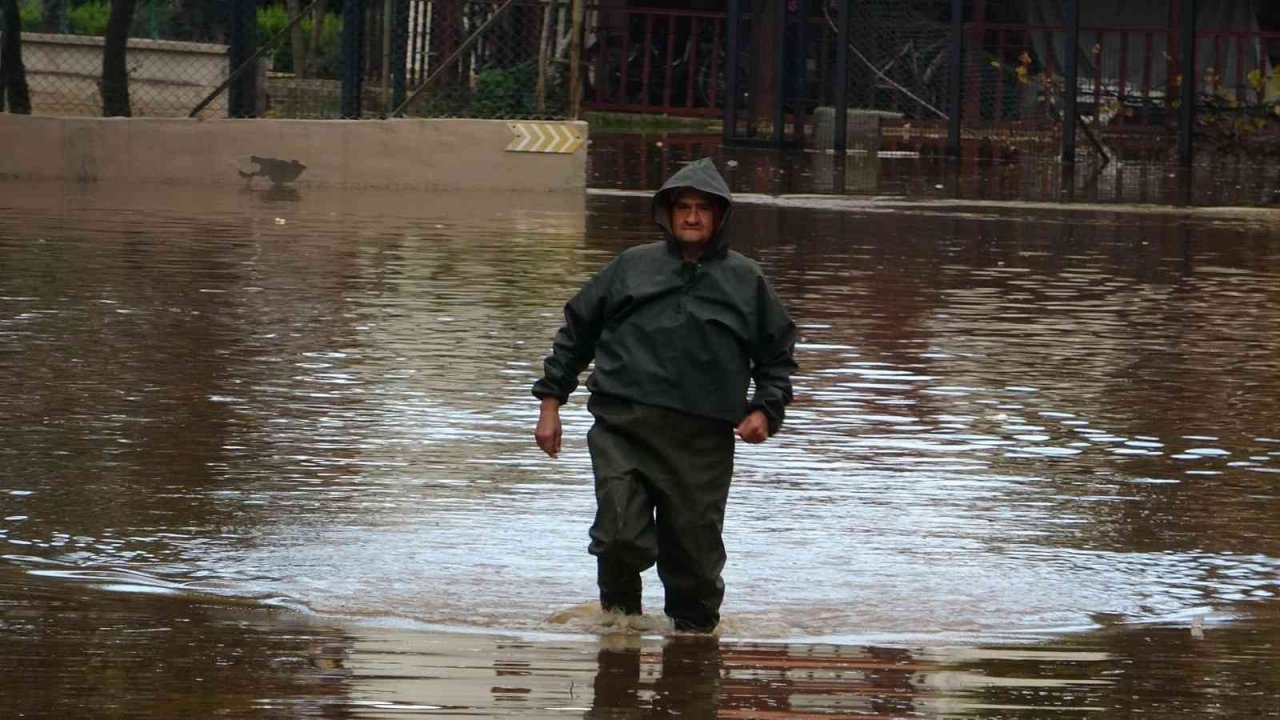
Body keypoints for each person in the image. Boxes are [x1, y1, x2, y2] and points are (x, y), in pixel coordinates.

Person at [532, 158, 797, 633]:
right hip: (622, 429)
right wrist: (551, 404)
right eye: (682, 207)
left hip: (703, 443)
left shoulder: (745, 281)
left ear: (719, 217)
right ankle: (618, 636)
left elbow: (777, 356)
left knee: (694, 562)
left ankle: (694, 656)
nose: (691, 217)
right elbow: (577, 332)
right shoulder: (632, 267)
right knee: (617, 537)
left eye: (702, 209)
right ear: (667, 214)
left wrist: (765, 408)